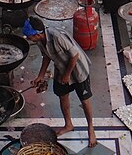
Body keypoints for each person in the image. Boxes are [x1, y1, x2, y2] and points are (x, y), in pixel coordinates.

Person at [25, 18, 97, 147]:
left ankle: (91, 128)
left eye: (29, 36)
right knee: (62, 96)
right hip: (61, 68)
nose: (28, 39)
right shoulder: (40, 41)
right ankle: (68, 124)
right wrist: (40, 76)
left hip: (78, 69)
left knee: (84, 100)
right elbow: (46, 56)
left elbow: (74, 55)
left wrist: (67, 75)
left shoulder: (57, 36)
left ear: (37, 34)